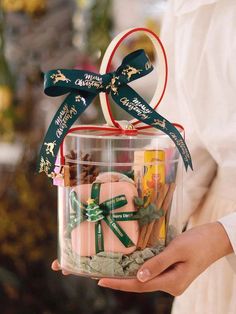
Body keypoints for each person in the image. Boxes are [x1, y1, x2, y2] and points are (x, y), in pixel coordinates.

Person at [52, 0, 236, 313]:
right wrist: (143, 228)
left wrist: (224, 236)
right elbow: (185, 136)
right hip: (212, 226)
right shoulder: (188, 7)